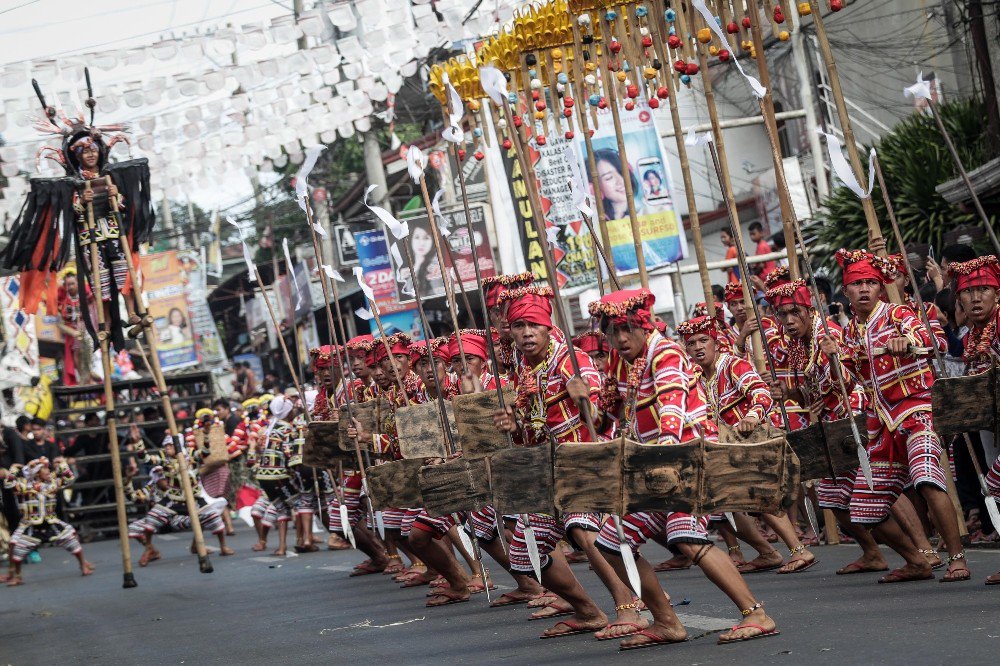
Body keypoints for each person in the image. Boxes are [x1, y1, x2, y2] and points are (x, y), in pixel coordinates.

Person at [589, 289, 778, 648]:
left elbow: (672, 409)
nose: (621, 338)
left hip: (687, 463)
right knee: (612, 544)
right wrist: (585, 399)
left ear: (644, 325)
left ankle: (756, 613)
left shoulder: (666, 353)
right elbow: (605, 421)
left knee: (685, 537)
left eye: (628, 329)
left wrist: (662, 456)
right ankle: (667, 622)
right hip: (653, 471)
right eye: (614, 332)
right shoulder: (620, 362)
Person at [821, 248, 969, 583]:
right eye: (856, 284)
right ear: (846, 291)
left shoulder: (898, 315)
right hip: (881, 421)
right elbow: (843, 383)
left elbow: (931, 342)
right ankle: (916, 560)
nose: (863, 290)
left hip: (916, 409)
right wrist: (832, 358)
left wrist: (907, 340)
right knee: (864, 508)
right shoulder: (847, 334)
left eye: (870, 283)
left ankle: (957, 557)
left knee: (927, 479)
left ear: (879, 286)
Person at [493, 285, 620, 640]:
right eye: (518, 326)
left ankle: (630, 606)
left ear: (549, 327)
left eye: (533, 325)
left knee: (580, 527)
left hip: (583, 464)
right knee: (523, 552)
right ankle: (588, 611)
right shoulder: (523, 368)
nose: (526, 332)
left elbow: (604, 417)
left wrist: (585, 403)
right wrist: (513, 425)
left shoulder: (570, 360)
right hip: (547, 473)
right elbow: (530, 431)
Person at [947, 255, 1000, 585]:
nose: (976, 297)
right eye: (968, 292)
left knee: (995, 483)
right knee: (994, 490)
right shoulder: (971, 336)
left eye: (984, 289)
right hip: (991, 423)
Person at [1, 457, 93, 585]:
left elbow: (69, 479)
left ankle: (83, 564)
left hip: (51, 523)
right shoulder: (24, 486)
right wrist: (14, 468)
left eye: (48, 468)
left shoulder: (52, 483)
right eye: (44, 468)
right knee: (17, 547)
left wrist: (62, 464)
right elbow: (8, 484)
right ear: (37, 473)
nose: (48, 470)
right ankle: (17, 575)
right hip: (30, 525)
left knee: (71, 539)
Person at [594, 148, 640, 220]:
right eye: (609, 177)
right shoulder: (595, 221)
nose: (620, 181)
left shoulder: (648, 212)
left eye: (622, 172)